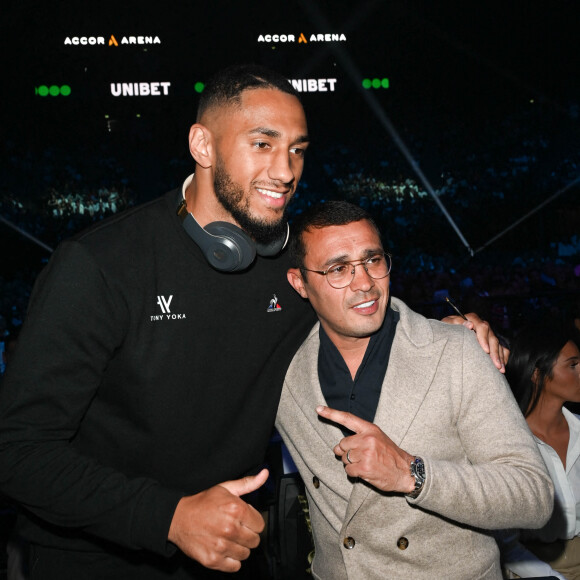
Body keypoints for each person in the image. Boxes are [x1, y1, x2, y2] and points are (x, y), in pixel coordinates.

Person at [0, 65, 506, 580]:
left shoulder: (289, 267)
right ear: (203, 145)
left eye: (297, 149)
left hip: (236, 553)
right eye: (263, 144)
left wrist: (451, 331)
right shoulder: (99, 264)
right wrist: (169, 517)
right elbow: (17, 451)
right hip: (100, 560)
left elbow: (359, 297)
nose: (286, 171)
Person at [275, 201, 554, 580]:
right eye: (339, 269)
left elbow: (533, 496)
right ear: (299, 283)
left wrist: (414, 474)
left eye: (373, 260)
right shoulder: (283, 370)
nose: (364, 283)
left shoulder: (455, 350)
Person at [499, 323, 580, 580]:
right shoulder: (509, 444)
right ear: (537, 373)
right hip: (531, 569)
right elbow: (505, 540)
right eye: (573, 365)